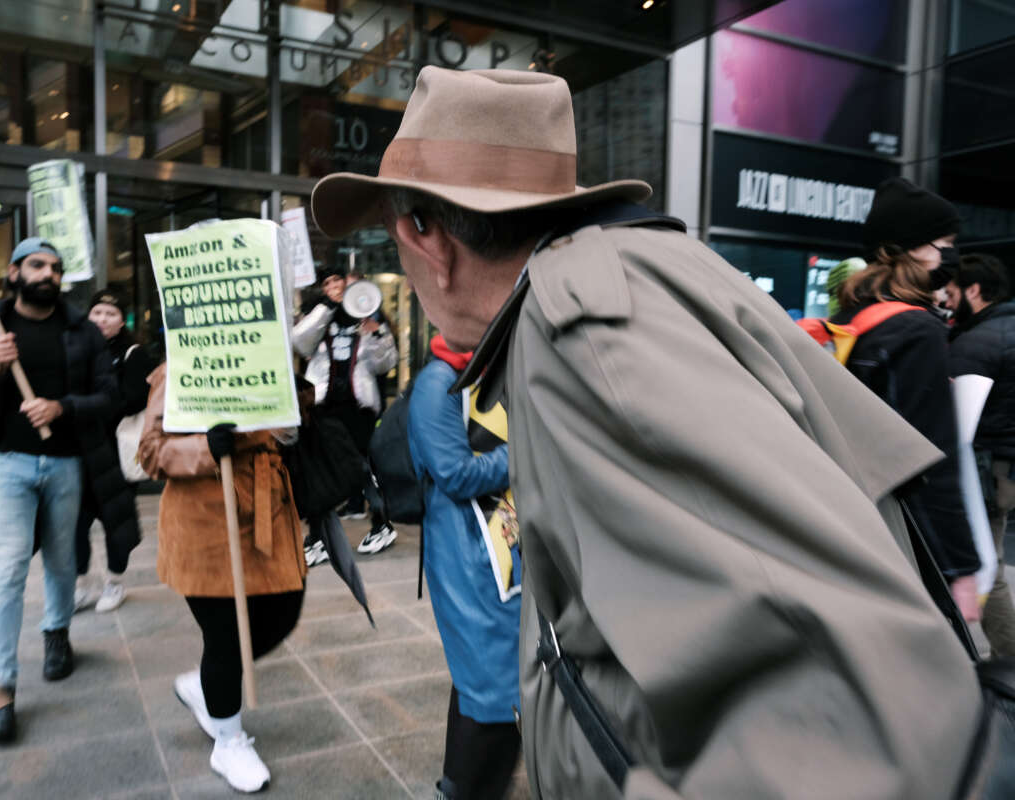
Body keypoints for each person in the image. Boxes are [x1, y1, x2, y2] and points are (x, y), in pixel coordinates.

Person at [310, 67, 985, 798]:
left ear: (427, 237)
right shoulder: (620, 281)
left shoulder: (580, 336)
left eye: (394, 242)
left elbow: (832, 710)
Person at [0, 237, 119, 744]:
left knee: (63, 559)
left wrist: (61, 408)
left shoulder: (83, 332)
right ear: (14, 272)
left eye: (55, 268)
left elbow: (111, 397)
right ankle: (1, 686)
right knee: (6, 571)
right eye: (37, 265)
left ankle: (57, 633)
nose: (48, 274)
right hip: (8, 466)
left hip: (67, 465)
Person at [137, 368, 306, 794]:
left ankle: (202, 684)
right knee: (226, 636)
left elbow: (290, 424)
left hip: (268, 510)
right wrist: (205, 449)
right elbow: (151, 452)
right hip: (203, 522)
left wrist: (291, 409)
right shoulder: (175, 371)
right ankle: (228, 741)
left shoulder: (265, 355)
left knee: (285, 610)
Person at [833, 178, 981, 618]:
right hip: (906, 544)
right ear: (915, 247)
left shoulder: (851, 316)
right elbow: (928, 459)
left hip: (850, 525)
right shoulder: (915, 330)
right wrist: (960, 568)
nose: (950, 254)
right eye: (946, 242)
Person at [408, 334, 522, 800]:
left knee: (481, 677)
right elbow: (454, 475)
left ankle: (457, 785)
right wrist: (526, 454)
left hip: (501, 548)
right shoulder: (438, 382)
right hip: (466, 558)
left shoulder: (490, 371)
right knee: (494, 684)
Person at [292, 265, 399, 561]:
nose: (335, 287)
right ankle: (320, 536)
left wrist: (378, 333)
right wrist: (327, 308)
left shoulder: (368, 318)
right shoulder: (319, 317)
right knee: (321, 472)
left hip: (358, 408)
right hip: (324, 408)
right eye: (328, 283)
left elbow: (386, 363)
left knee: (362, 467)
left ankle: (378, 525)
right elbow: (299, 342)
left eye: (339, 282)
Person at [946, 253, 1015, 657]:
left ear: (974, 290)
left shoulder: (977, 341)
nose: (948, 301)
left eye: (952, 293)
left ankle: (1008, 660)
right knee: (991, 560)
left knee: (986, 569)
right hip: (1006, 466)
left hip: (986, 470)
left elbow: (954, 418)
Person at [72, 290, 151, 613]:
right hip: (81, 452)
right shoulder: (76, 350)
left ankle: (114, 582)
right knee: (75, 523)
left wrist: (97, 401)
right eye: (97, 313)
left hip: (116, 454)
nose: (102, 319)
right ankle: (80, 584)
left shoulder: (134, 354)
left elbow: (136, 399)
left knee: (116, 522)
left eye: (110, 313)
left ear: (122, 321)